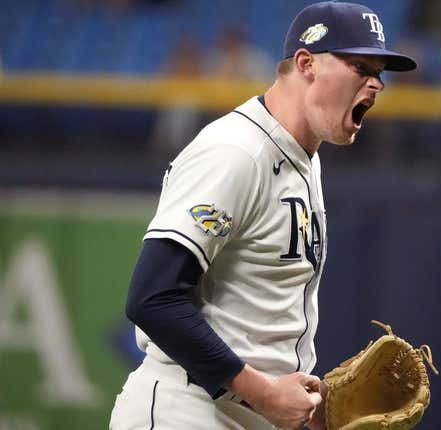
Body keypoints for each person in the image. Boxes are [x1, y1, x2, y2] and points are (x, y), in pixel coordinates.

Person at [109, 2, 416, 429]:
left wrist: (311, 406)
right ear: (306, 63)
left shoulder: (305, 157)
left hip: (246, 415)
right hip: (187, 411)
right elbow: (152, 299)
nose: (376, 83)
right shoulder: (235, 152)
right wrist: (264, 392)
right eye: (360, 66)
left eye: (380, 72)